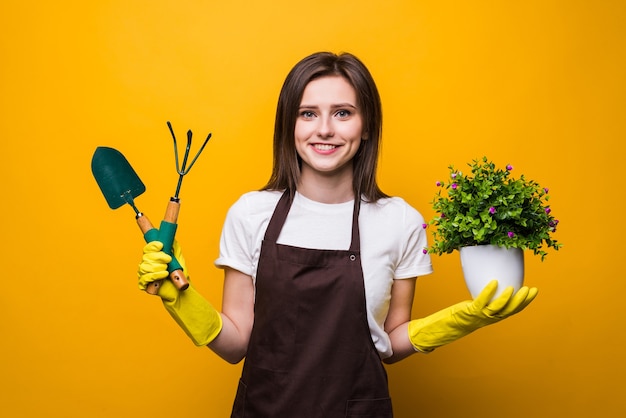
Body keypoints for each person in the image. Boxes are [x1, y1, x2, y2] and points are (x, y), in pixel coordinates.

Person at [137, 52, 538, 418]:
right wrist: (181, 299)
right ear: (288, 126)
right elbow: (236, 343)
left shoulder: (399, 221)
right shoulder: (251, 213)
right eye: (307, 113)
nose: (324, 130)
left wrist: (461, 321)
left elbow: (391, 342)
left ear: (367, 128)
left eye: (343, 113)